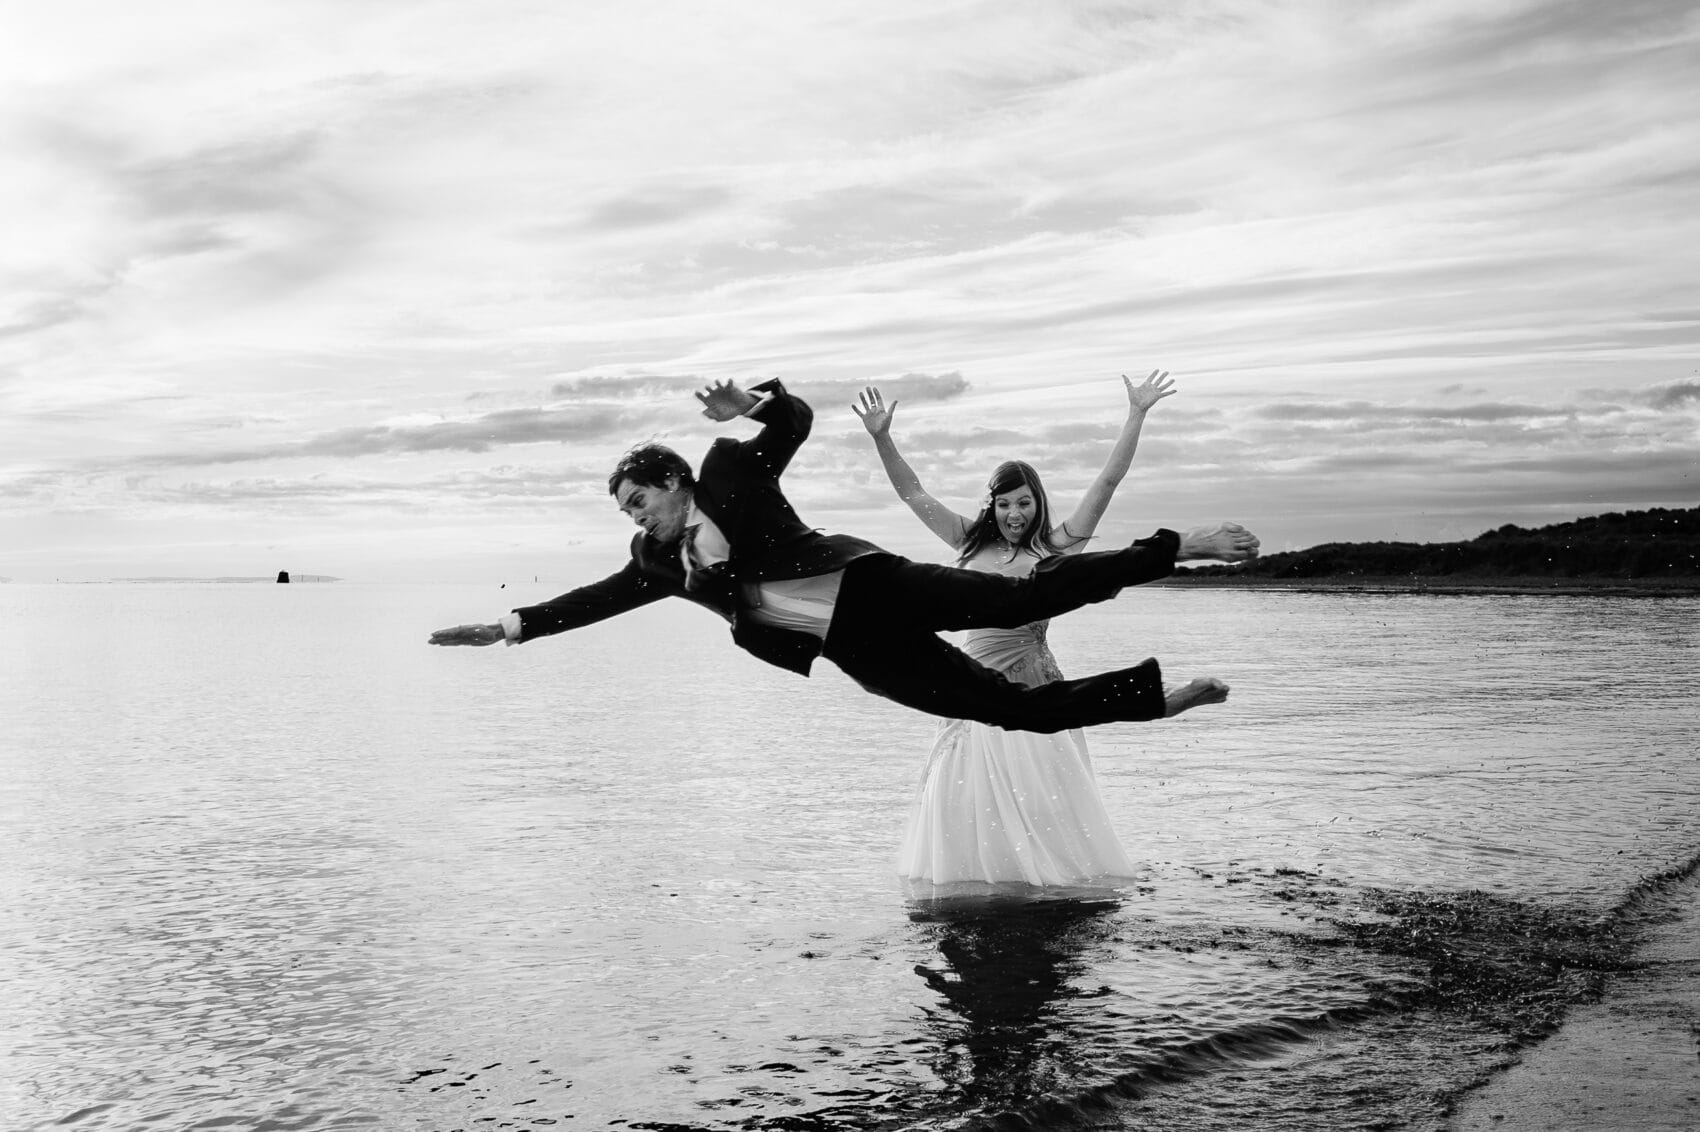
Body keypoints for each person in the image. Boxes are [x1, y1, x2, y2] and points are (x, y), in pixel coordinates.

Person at [430, 378, 1259, 734]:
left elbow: (793, 423)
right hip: (852, 648)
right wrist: (508, 627)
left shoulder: (727, 470)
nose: (633, 518)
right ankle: (1158, 701)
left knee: (1014, 600)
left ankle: (1175, 547)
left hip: (875, 587)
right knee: (1010, 712)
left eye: (638, 500)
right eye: (624, 512)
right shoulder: (656, 564)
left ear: (673, 480)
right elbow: (596, 599)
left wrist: (752, 403)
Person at [852, 371, 1184, 885]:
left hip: (1036, 681)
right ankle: (981, 887)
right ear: (992, 505)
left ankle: (1043, 884)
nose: (1014, 512)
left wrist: (1136, 413)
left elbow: (1107, 483)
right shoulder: (965, 541)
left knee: (1042, 796)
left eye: (1024, 502)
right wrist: (882, 438)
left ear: (1037, 504)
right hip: (968, 684)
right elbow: (912, 492)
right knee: (967, 794)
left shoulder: (1055, 549)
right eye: (1004, 502)